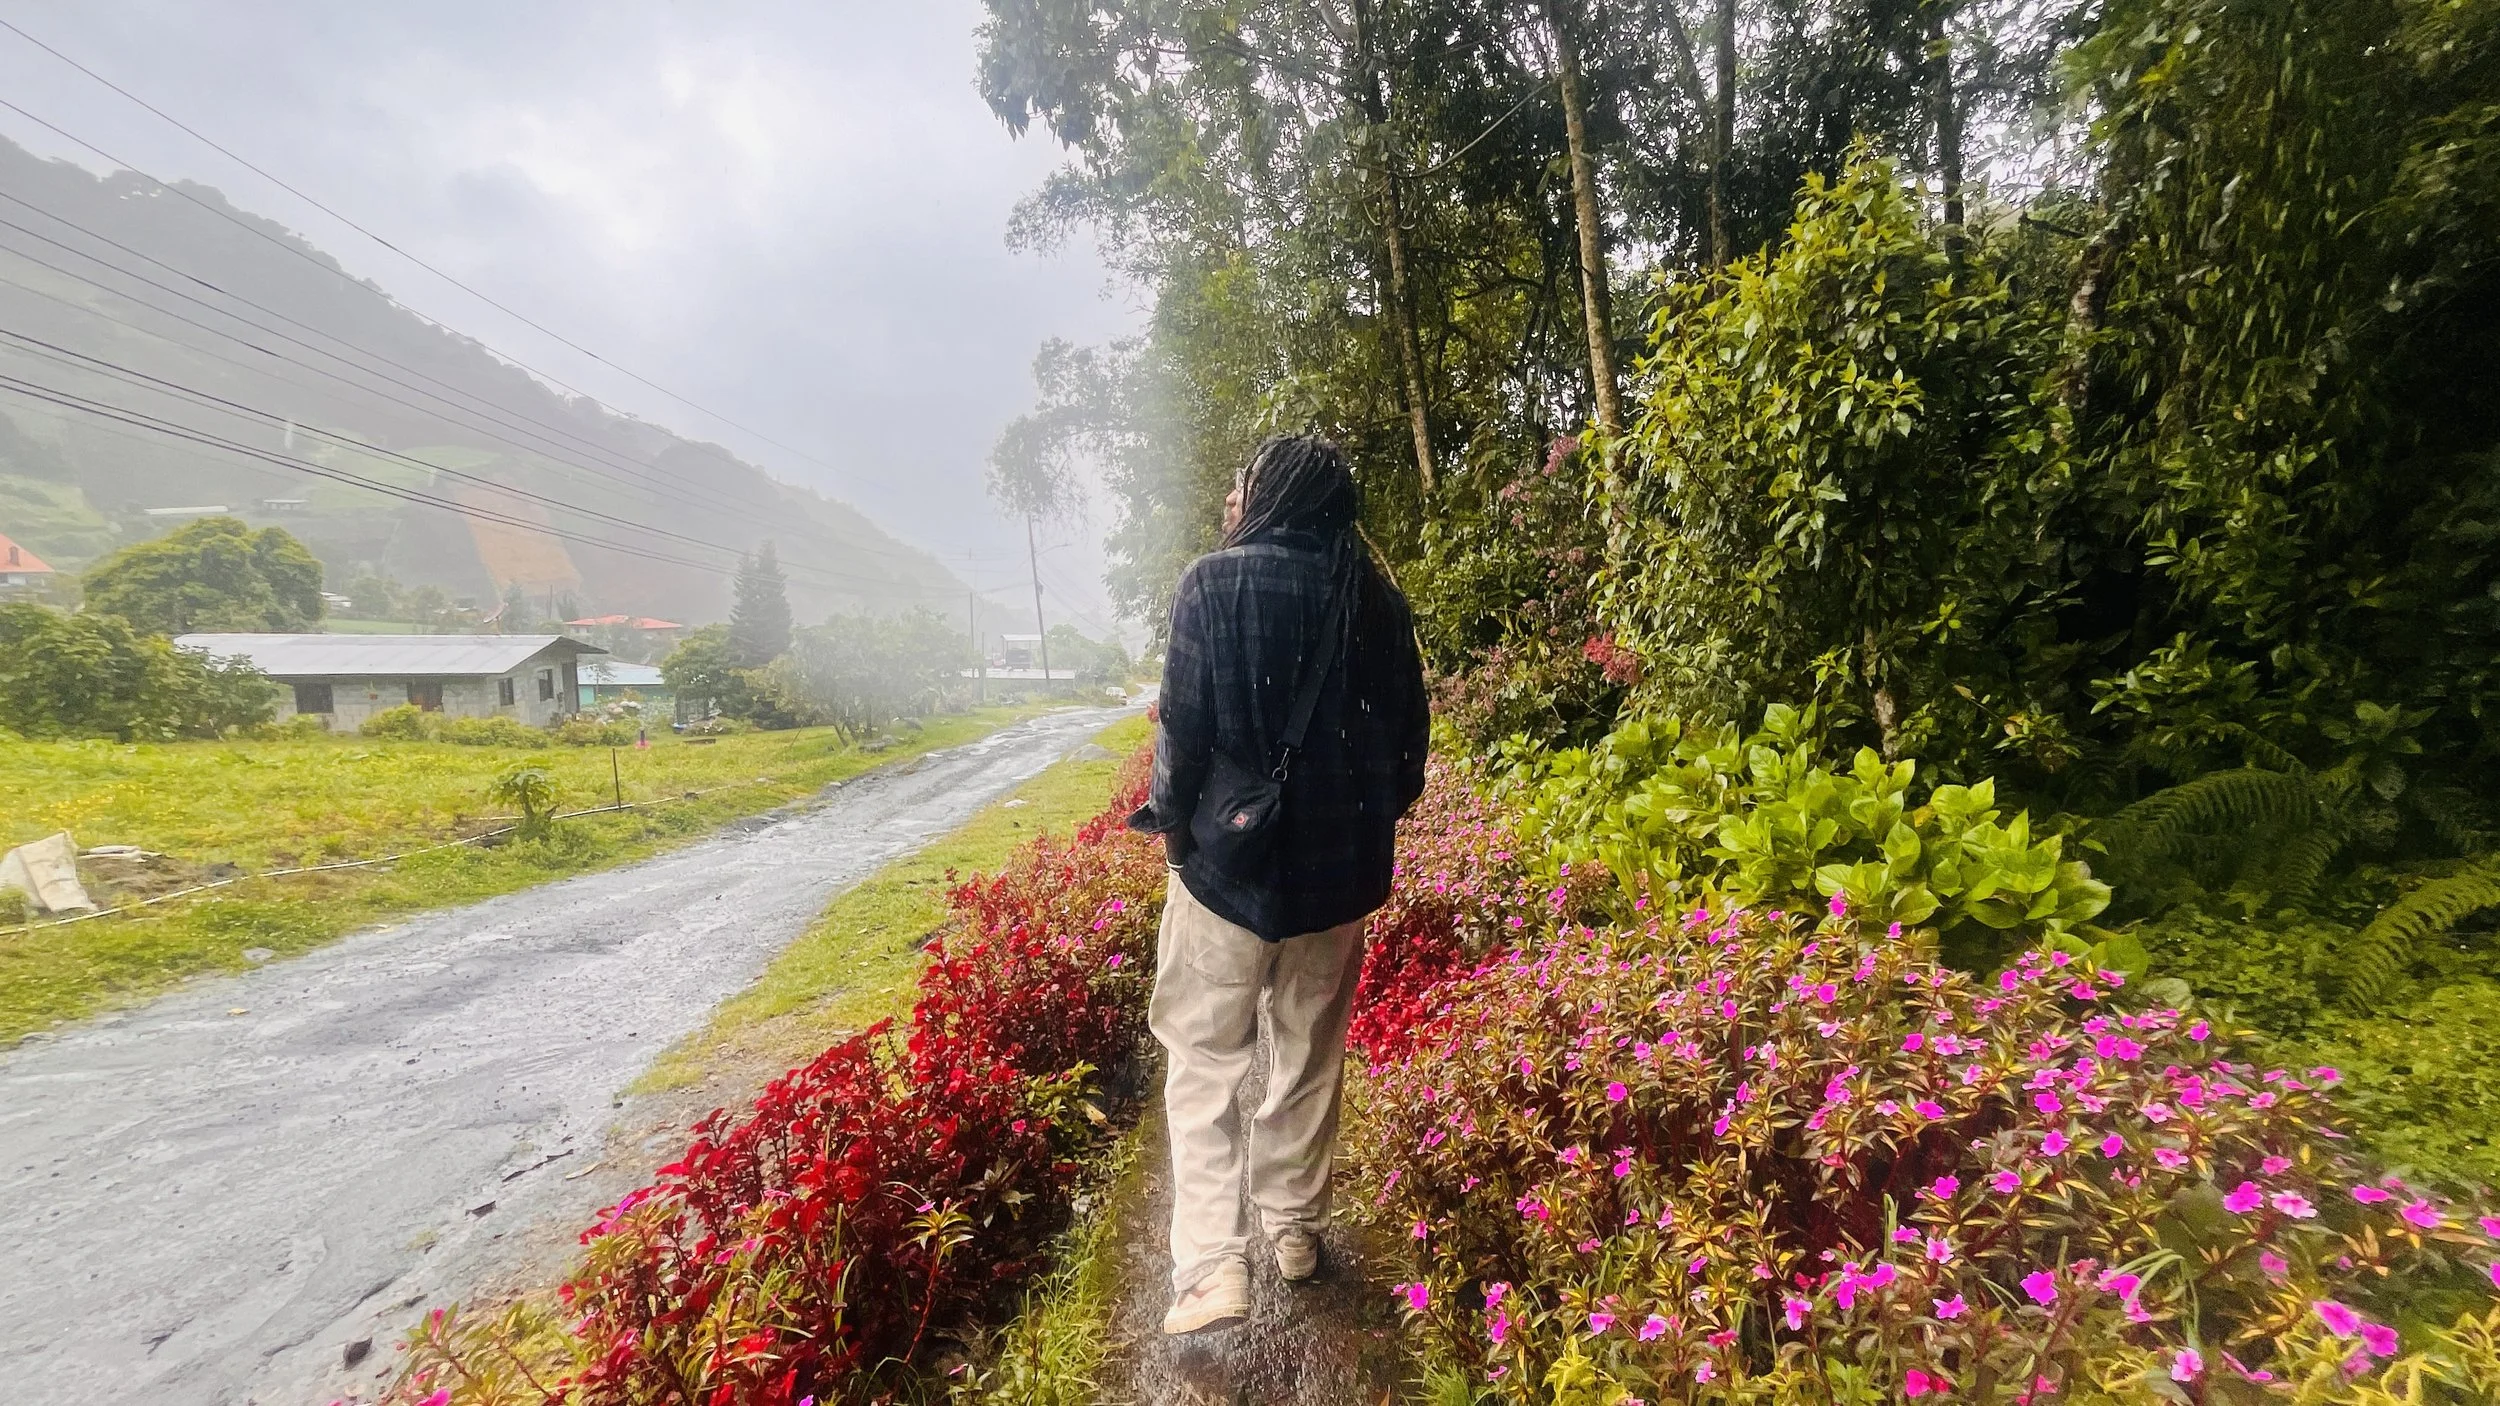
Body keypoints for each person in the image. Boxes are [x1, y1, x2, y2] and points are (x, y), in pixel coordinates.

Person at [1127, 435, 1429, 1335]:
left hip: (1227, 873)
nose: (1231, 495)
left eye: (1242, 481)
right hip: (1337, 887)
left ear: (1274, 490)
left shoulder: (1211, 585)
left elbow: (1179, 737)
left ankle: (1215, 1270)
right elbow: (1409, 747)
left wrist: (1178, 841)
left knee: (1203, 1066)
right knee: (1306, 1058)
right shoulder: (1376, 598)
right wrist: (1358, 823)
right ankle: (1293, 1231)